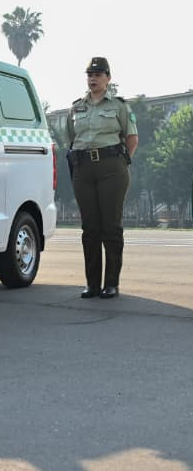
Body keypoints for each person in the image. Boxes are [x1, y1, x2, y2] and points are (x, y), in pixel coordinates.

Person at [66, 57, 138, 299]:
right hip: (83, 170)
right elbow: (71, 140)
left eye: (98, 74)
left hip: (112, 169)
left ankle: (111, 284)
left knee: (111, 227)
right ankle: (92, 284)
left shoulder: (119, 106)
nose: (93, 78)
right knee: (90, 229)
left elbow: (132, 138)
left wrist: (120, 161)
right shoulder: (76, 108)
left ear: (108, 78)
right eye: (89, 74)